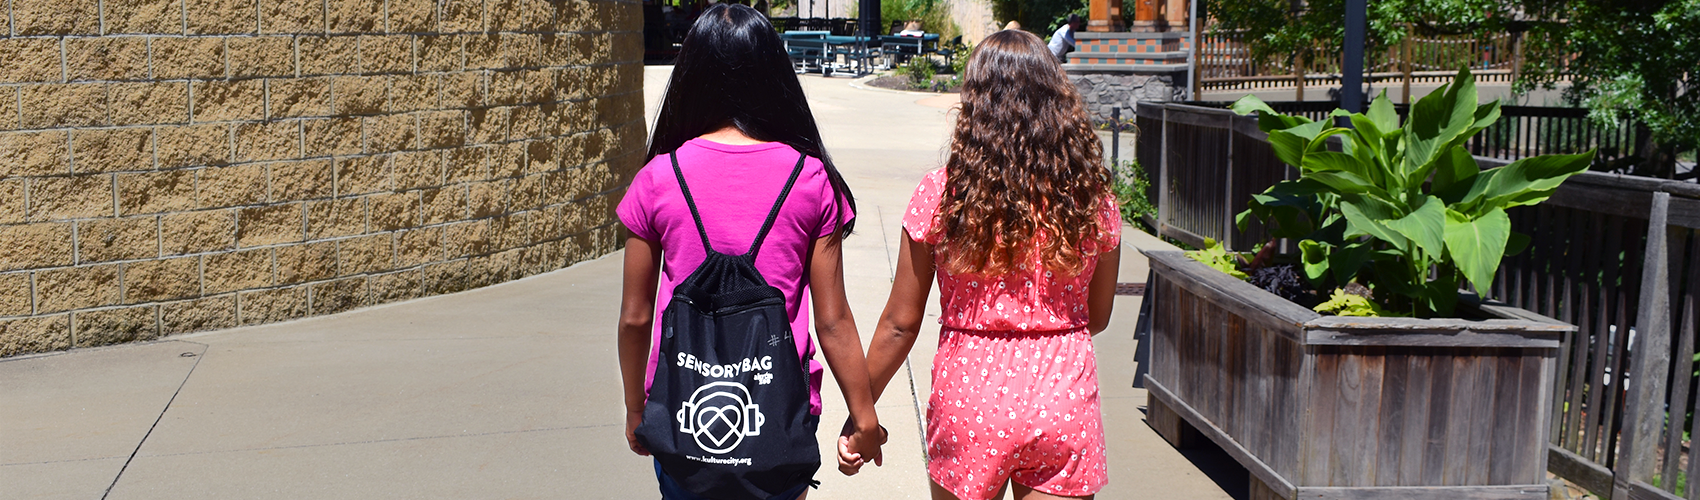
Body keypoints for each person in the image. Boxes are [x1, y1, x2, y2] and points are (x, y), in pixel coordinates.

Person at [837, 29, 1121, 500]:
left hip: (971, 394)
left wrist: (860, 412)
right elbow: (1099, 315)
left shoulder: (943, 194)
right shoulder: (1090, 200)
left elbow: (899, 325)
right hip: (1061, 392)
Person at [617, 5, 885, 499]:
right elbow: (832, 320)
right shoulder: (808, 179)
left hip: (681, 408)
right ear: (772, 75)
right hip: (778, 412)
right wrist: (864, 418)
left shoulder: (657, 177)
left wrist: (637, 407)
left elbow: (635, 318)